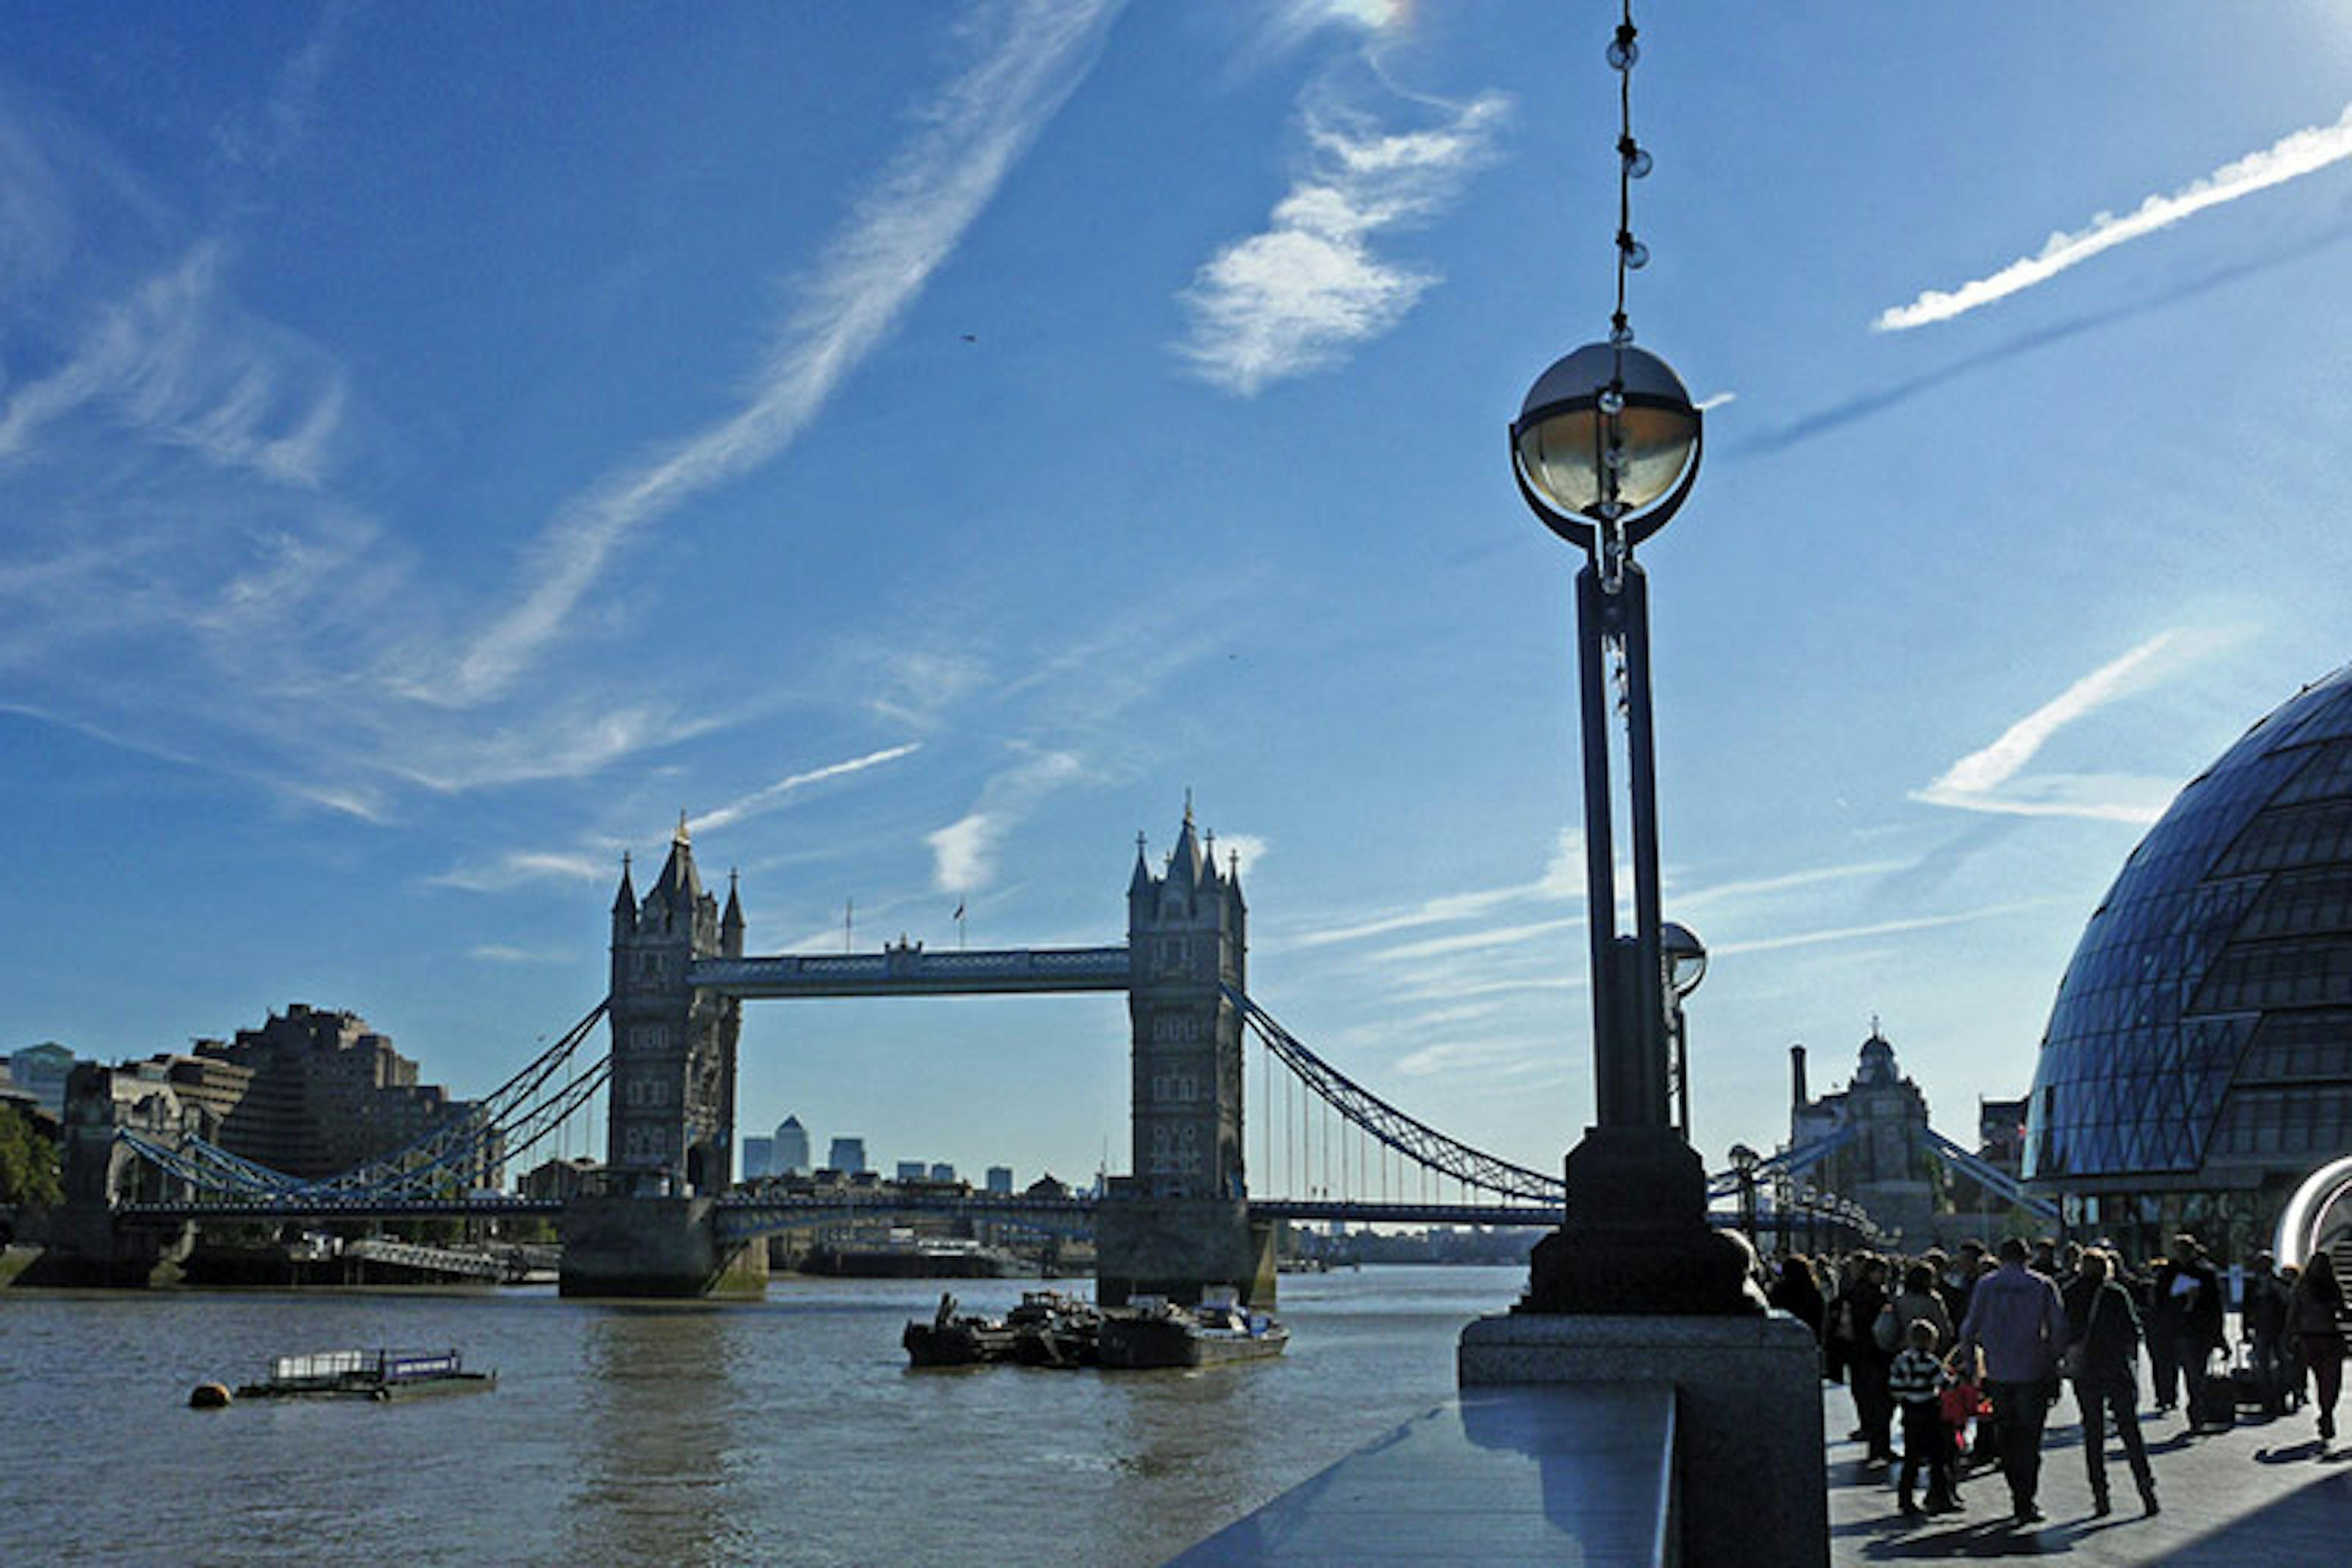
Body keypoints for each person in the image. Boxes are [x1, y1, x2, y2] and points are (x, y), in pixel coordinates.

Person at [1958, 1235, 2067, 1525]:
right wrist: (2052, 1361)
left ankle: (2015, 1489)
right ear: (2027, 1257)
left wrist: (1972, 1366)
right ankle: (2026, 1498)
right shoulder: (2042, 1285)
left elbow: (1968, 1330)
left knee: (2005, 1436)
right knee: (2030, 1439)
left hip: (1998, 1372)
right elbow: (2058, 1329)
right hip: (2033, 1371)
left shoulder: (1986, 1285)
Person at [2061, 1248, 2158, 1517]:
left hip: (2086, 1371)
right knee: (2129, 1428)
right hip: (2115, 1368)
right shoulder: (2116, 1294)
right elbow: (2132, 1330)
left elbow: (2061, 1329)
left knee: (2093, 1431)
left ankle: (2100, 1494)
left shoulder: (2069, 1292)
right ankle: (2146, 1488)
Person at [1887, 1318, 1959, 1517]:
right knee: (1938, 1455)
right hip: (1929, 1410)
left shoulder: (1901, 1361)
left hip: (1910, 1411)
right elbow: (1944, 1385)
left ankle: (1905, 1499)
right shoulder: (1931, 1362)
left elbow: (1894, 1386)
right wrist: (1955, 1379)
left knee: (1912, 1457)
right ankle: (1940, 1496)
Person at [2156, 1235, 2226, 1428]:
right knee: (2191, 1372)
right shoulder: (2170, 1272)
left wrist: (2219, 1335)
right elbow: (2159, 1301)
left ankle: (2197, 1408)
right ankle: (2195, 1408)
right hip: (2181, 1329)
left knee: (2196, 1372)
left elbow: (2215, 1306)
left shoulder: (2204, 1273)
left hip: (2197, 1329)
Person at [2287, 1253, 2346, 1449]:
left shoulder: (2302, 1286)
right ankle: (2327, 1412)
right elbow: (2343, 1311)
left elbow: (2293, 1312)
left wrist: (2290, 1335)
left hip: (2308, 1338)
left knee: (2319, 1378)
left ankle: (2324, 1411)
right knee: (2331, 1380)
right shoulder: (2332, 1287)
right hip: (2329, 1336)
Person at [2244, 1250, 2293, 1417]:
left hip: (2279, 1329)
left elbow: (2288, 1304)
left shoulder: (2279, 1283)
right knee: (2263, 1367)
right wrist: (2245, 1329)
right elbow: (2247, 1307)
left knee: (2283, 1366)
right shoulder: (2252, 1283)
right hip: (2261, 1328)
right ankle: (2267, 1400)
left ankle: (2281, 1397)